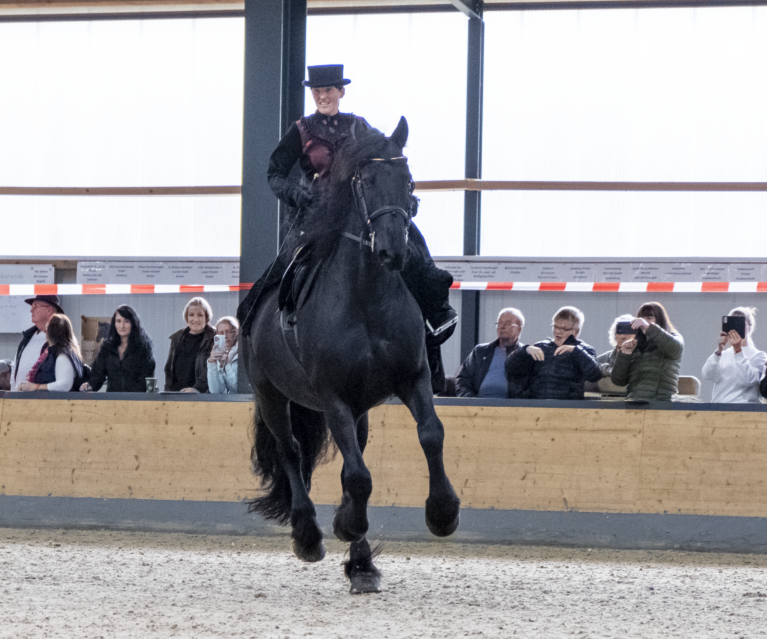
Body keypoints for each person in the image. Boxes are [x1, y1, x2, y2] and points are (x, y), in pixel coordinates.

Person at [243, 63, 458, 393]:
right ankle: (254, 316)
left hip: (356, 213)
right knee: (284, 267)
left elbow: (386, 158)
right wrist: (294, 193)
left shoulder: (360, 127)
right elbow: (275, 172)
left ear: (340, 92)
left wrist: (398, 195)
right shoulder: (300, 130)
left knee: (409, 237)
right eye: (317, 91)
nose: (322, 96)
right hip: (314, 215)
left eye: (328, 90)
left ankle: (435, 309)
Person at [505, 306, 602, 400]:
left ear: (576, 331)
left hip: (569, 408)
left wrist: (576, 351)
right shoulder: (540, 347)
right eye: (555, 327)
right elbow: (510, 368)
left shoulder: (584, 349)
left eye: (564, 329)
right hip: (537, 406)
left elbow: (595, 375)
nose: (557, 332)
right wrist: (524, 350)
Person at [610, 301, 685, 402]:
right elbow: (618, 380)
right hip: (635, 402)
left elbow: (675, 348)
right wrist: (625, 354)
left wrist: (649, 328)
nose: (643, 322)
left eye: (649, 318)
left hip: (661, 402)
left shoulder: (674, 338)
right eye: (642, 318)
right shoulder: (635, 344)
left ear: (659, 320)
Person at [80, 305, 156, 393]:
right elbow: (98, 374)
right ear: (114, 323)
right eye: (118, 321)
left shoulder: (144, 348)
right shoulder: (107, 347)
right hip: (112, 401)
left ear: (133, 323)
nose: (122, 325)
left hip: (136, 401)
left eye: (126, 321)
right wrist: (90, 385)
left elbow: (145, 379)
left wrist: (128, 399)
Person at [455, 308, 528, 398]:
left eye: (508, 323)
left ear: (518, 329)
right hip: (477, 407)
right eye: (499, 323)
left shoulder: (524, 355)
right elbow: (462, 379)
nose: (501, 326)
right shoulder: (480, 351)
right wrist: (470, 400)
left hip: (512, 408)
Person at [701, 306, 767, 404]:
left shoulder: (759, 355)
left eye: (740, 323)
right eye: (732, 323)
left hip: (744, 408)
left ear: (749, 327)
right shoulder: (723, 354)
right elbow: (707, 375)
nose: (736, 328)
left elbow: (748, 380)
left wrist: (738, 350)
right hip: (719, 406)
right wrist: (719, 350)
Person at [16, 314, 85, 392]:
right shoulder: (66, 352)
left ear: (50, 332)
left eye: (47, 327)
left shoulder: (62, 356)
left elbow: (64, 385)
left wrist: (36, 386)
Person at [165, 297, 216, 392]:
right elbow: (169, 369)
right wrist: (168, 391)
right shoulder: (177, 338)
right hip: (176, 394)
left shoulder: (213, 338)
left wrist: (197, 389)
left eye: (200, 315)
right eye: (191, 315)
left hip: (201, 396)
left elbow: (210, 369)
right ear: (186, 317)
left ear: (207, 317)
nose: (195, 319)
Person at [11, 295, 62, 392]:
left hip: (41, 401)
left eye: (36, 306)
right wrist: (13, 390)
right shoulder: (27, 336)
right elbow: (15, 366)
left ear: (48, 310)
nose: (31, 310)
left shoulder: (57, 340)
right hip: (17, 400)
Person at [202, 316, 240, 394]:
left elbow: (238, 388)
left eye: (228, 331)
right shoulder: (219, 353)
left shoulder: (243, 352)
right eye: (221, 333)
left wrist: (226, 365)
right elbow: (216, 391)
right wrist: (212, 363)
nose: (225, 336)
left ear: (236, 332)